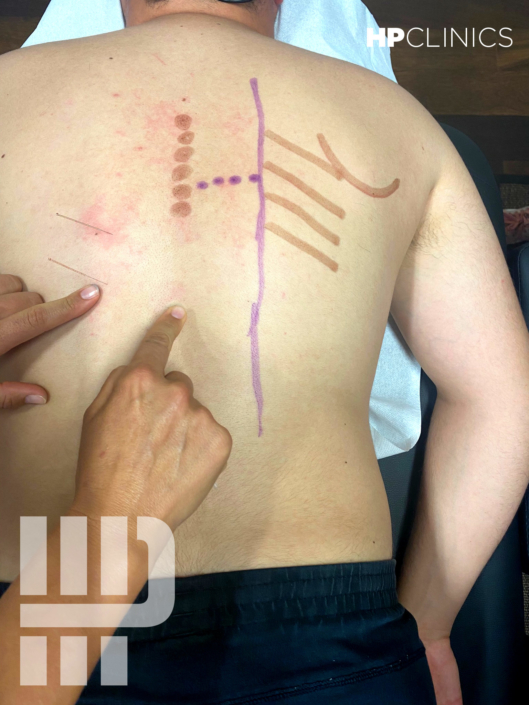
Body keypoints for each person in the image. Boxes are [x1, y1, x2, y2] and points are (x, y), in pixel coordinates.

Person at [1, 0, 528, 702]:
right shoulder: (396, 122)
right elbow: (503, 398)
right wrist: (429, 623)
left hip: (44, 613)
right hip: (326, 630)